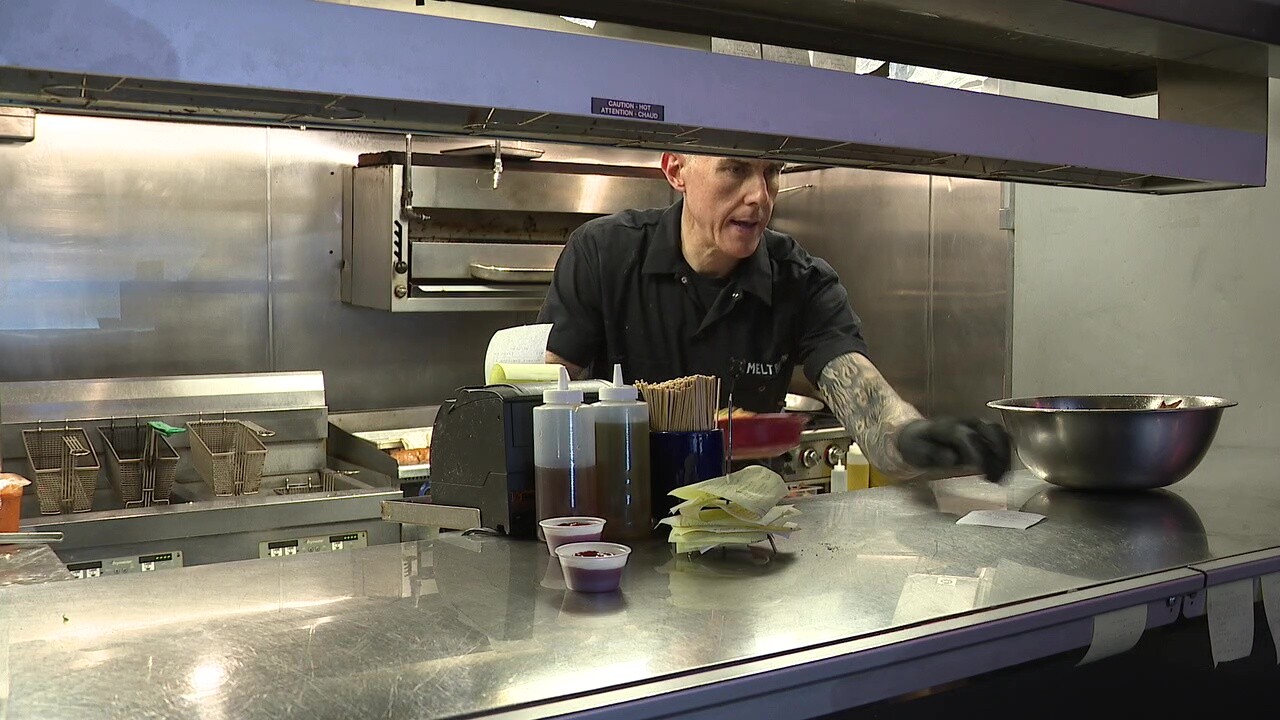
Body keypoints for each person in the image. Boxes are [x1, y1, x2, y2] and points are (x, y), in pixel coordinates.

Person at [536, 152, 1009, 482]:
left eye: (771, 172)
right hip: (623, 525)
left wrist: (914, 438)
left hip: (746, 534)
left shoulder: (801, 280)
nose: (759, 196)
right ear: (676, 170)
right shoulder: (603, 253)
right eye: (735, 170)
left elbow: (871, 412)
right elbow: (543, 400)